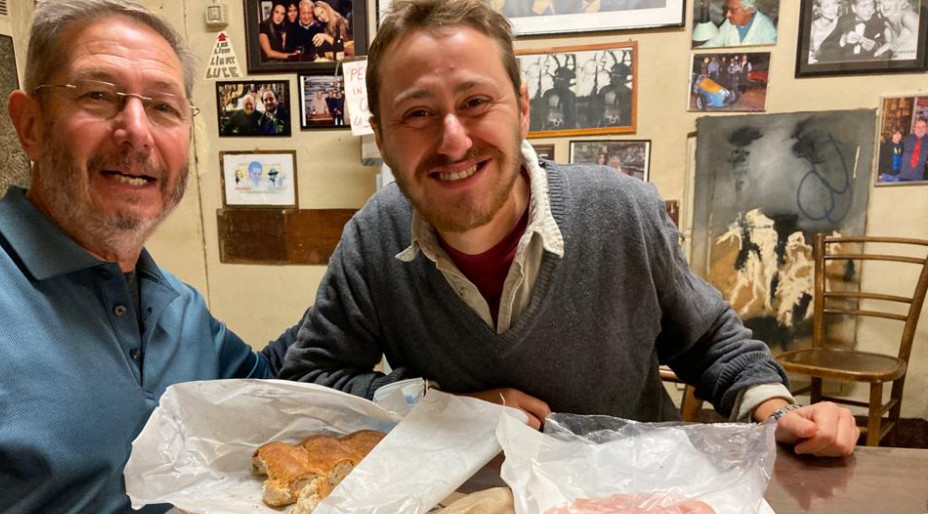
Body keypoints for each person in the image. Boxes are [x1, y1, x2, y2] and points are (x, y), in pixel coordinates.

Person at [281, 0, 858, 456]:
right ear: (381, 136)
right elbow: (310, 384)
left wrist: (779, 413)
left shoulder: (624, 210)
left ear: (523, 109)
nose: (453, 139)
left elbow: (707, 341)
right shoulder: (371, 239)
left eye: (477, 101)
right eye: (417, 114)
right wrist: (445, 408)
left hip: (636, 503)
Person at [0, 0, 301, 514]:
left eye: (164, 107)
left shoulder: (179, 309)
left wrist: (386, 295)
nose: (136, 129)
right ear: (30, 125)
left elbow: (270, 394)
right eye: (99, 96)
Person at [701, 0, 778, 47]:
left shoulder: (767, 31)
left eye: (732, 10)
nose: (727, 15)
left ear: (748, 10)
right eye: (727, 9)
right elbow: (713, 44)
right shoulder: (729, 23)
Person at [899, 118, 928, 182]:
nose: (920, 129)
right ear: (914, 128)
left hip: (918, 177)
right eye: (918, 127)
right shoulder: (906, 139)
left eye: (923, 127)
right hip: (903, 175)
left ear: (926, 129)